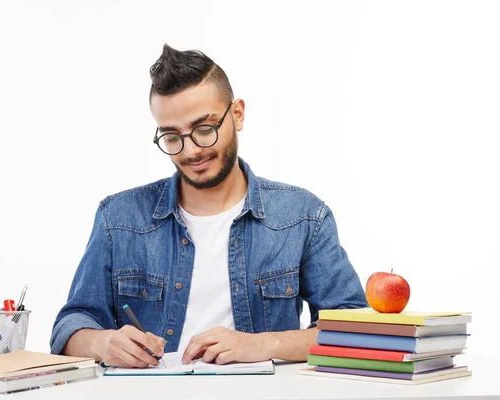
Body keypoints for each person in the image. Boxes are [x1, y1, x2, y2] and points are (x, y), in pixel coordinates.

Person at [50, 44, 368, 368]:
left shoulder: (303, 217)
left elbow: (356, 330)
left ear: (238, 114)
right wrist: (103, 343)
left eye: (204, 130)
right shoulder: (118, 218)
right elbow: (70, 327)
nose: (190, 152)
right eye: (172, 137)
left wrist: (262, 344)